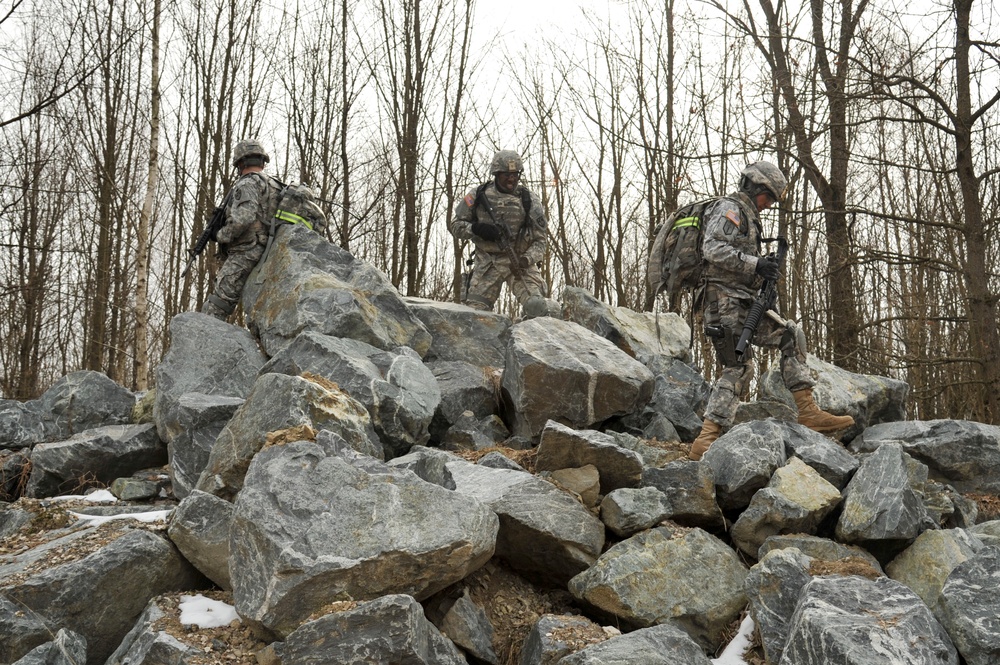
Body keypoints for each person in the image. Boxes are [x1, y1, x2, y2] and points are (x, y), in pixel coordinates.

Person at [688, 161, 855, 460]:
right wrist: (756, 264)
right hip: (721, 299)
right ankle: (705, 441)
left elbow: (737, 260)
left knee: (790, 335)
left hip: (744, 299)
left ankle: (808, 411)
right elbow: (712, 249)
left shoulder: (749, 217)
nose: (769, 205)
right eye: (768, 198)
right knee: (739, 366)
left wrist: (762, 276)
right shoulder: (731, 209)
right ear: (754, 187)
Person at [450, 150, 550, 318]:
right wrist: (476, 229)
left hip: (519, 262)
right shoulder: (477, 195)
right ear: (496, 174)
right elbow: (455, 225)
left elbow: (540, 241)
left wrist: (526, 260)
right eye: (506, 174)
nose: (511, 179)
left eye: (515, 174)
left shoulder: (529, 200)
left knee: (537, 308)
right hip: (487, 262)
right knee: (474, 315)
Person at [201, 139, 280, 321]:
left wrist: (220, 235)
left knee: (216, 306)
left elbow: (243, 219)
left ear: (241, 163)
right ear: (261, 161)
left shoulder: (247, 184)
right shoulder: (275, 184)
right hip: (269, 250)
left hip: (246, 252)